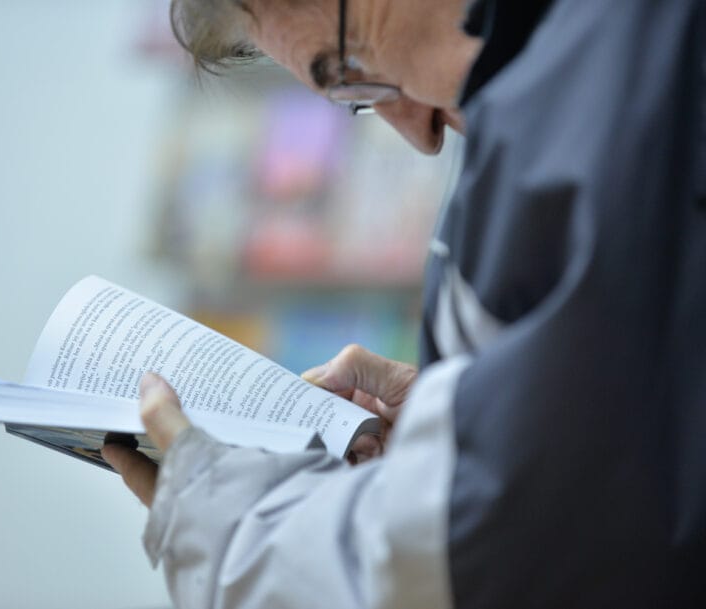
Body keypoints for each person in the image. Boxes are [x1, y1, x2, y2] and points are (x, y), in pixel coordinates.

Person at [103, 0, 706, 607]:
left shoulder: (589, 109)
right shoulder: (598, 75)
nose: (418, 132)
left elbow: (511, 555)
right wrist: (465, 423)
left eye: (349, 70)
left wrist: (232, 527)